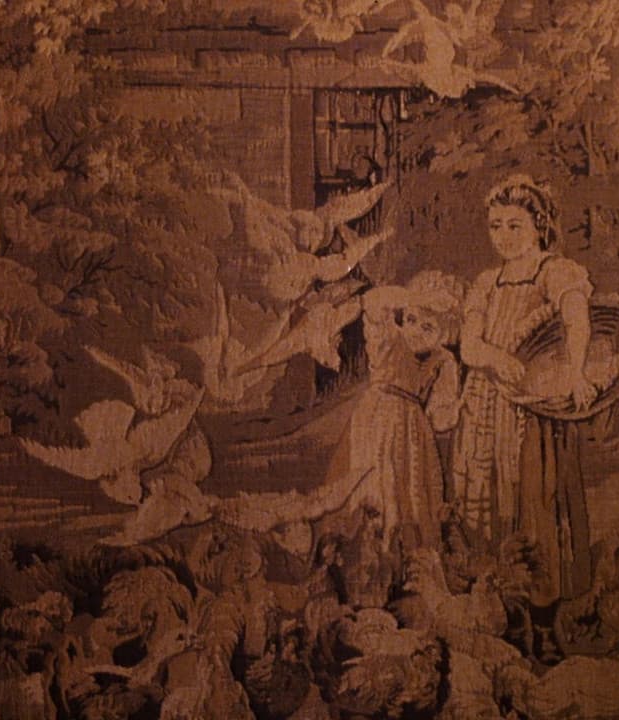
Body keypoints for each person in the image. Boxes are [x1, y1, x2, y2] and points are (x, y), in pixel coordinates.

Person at [219, 271, 462, 590]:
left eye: (428, 328)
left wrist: (454, 408)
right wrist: (416, 297)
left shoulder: (443, 361)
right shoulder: (389, 337)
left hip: (414, 434)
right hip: (376, 419)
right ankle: (364, 561)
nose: (415, 331)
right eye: (412, 319)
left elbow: (441, 418)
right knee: (372, 483)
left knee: (412, 491)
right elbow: (372, 301)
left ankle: (410, 570)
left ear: (445, 334)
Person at [449, 174, 597, 663]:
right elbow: (469, 346)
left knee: (536, 507)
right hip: (486, 410)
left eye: (515, 225)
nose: (504, 236)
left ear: (539, 225)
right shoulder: (486, 283)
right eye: (496, 226)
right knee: (490, 509)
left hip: (533, 415)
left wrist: (575, 372)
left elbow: (577, 323)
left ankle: (545, 622)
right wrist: (494, 358)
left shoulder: (555, 272)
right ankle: (506, 619)